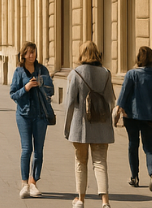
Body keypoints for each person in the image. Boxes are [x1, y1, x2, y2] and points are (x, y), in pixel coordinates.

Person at [64, 41, 116, 208]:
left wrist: (67, 128)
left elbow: (69, 103)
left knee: (81, 161)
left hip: (80, 126)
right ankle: (105, 201)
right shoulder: (106, 73)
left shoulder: (76, 74)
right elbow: (111, 100)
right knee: (100, 162)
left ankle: (80, 199)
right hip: (101, 125)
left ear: (81, 53)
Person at [114, 46, 152, 192]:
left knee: (133, 145)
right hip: (150, 117)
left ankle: (134, 177)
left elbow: (124, 95)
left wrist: (118, 109)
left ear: (138, 58)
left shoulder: (132, 74)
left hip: (132, 116)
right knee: (149, 148)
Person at [10, 42, 53, 200]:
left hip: (40, 115)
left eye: (33, 52)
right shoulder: (19, 71)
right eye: (28, 52)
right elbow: (13, 94)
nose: (31, 55)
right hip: (23, 115)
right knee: (26, 149)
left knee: (39, 150)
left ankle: (33, 181)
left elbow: (51, 90)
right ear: (23, 55)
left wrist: (41, 84)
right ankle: (24, 184)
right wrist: (26, 88)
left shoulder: (42, 70)